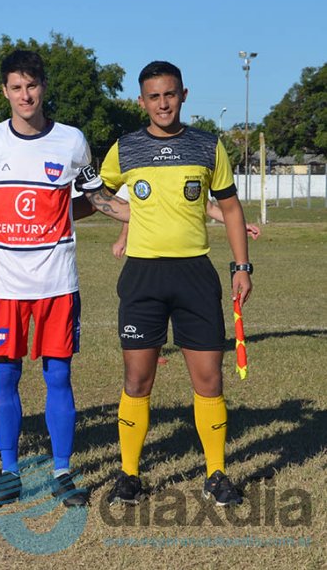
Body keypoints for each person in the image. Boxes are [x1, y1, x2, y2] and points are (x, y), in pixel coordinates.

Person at [84, 61, 253, 507]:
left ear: (183, 95)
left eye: (170, 94)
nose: (163, 103)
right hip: (142, 275)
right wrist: (92, 194)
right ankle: (129, 475)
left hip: (195, 274)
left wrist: (241, 266)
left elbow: (231, 209)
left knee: (209, 378)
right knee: (137, 379)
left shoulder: (207, 146)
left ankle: (215, 474)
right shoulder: (126, 148)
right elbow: (105, 195)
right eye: (154, 96)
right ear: (142, 101)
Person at [0, 50, 100, 508]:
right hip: (3, 284)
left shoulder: (72, 141)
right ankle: (9, 471)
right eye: (16, 87)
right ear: (5, 92)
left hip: (57, 282)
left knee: (58, 376)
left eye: (32, 86)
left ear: (43, 87)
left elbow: (91, 196)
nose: (25, 95)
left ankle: (62, 470)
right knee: (6, 375)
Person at [111, 200, 260, 259]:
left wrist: (240, 225)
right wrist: (122, 239)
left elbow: (209, 207)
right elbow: (134, 210)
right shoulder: (143, 168)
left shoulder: (190, 168)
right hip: (148, 259)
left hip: (188, 259)